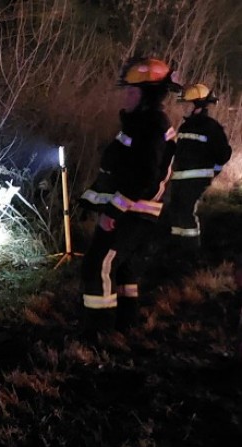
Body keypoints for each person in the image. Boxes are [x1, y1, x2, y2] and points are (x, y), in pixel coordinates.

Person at [80, 57, 179, 336]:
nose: (127, 95)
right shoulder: (142, 123)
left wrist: (114, 211)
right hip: (133, 210)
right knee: (122, 270)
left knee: (98, 265)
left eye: (133, 91)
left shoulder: (150, 125)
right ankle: (125, 326)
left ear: (147, 95)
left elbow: (143, 176)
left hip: (131, 211)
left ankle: (98, 334)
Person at [166, 83, 232, 265]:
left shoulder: (211, 128)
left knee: (188, 216)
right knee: (177, 215)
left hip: (195, 183)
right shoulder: (185, 128)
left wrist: (211, 174)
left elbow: (223, 154)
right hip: (180, 182)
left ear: (198, 105)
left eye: (187, 103)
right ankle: (176, 253)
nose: (184, 107)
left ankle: (191, 257)